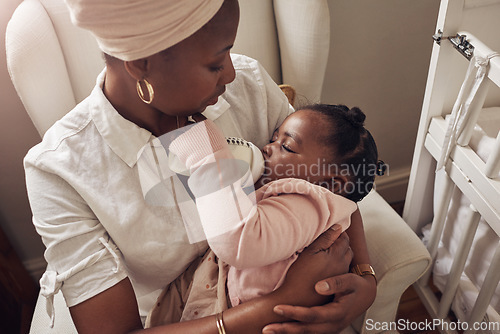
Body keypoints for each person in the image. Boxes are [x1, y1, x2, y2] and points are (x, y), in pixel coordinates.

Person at [24, 0, 376, 333]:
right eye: (216, 63)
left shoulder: (248, 85)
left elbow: (325, 178)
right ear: (139, 63)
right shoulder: (59, 171)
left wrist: (364, 277)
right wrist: (277, 304)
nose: (232, 74)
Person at [146, 104, 384, 324]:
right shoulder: (304, 198)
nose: (267, 148)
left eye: (287, 146)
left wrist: (209, 159)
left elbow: (239, 240)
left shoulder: (309, 203)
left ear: (330, 184)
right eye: (273, 138)